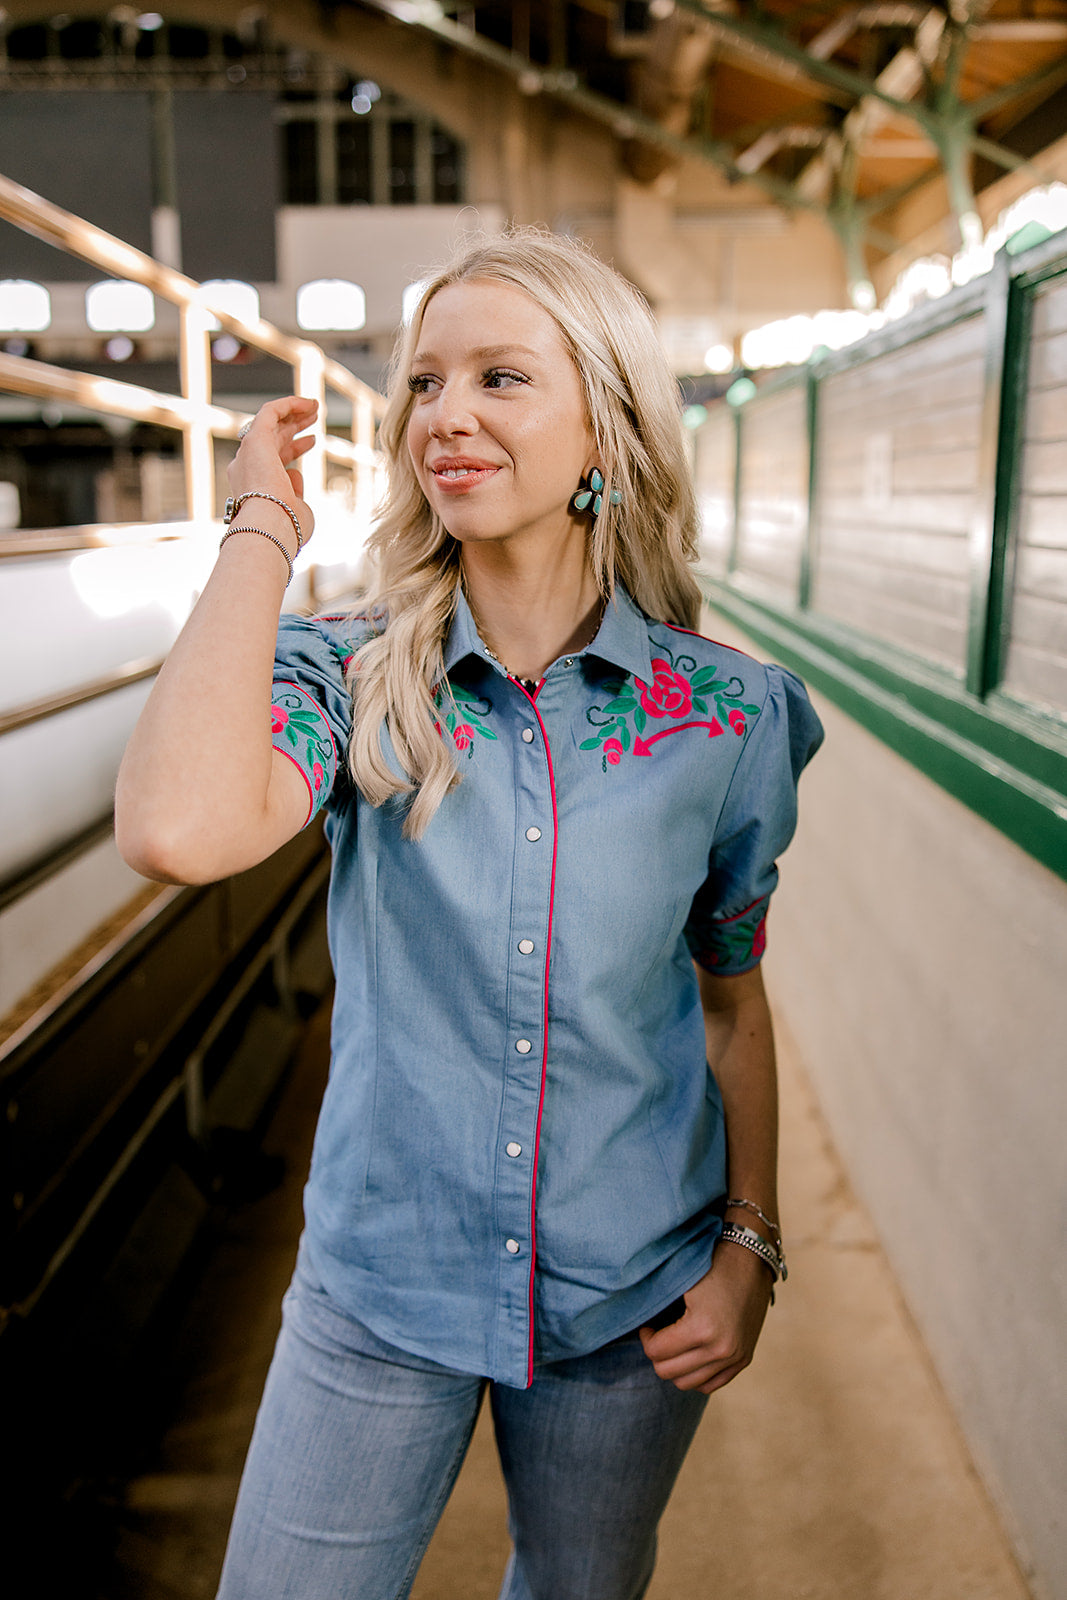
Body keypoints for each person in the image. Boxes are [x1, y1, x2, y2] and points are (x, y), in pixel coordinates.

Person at [115, 227, 822, 1600]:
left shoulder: (728, 717)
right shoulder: (355, 676)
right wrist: (263, 524)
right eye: (424, 384)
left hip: (633, 1295)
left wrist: (752, 1243)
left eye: (502, 378)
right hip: (382, 1288)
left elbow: (728, 997)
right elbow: (174, 828)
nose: (446, 414)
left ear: (605, 422)